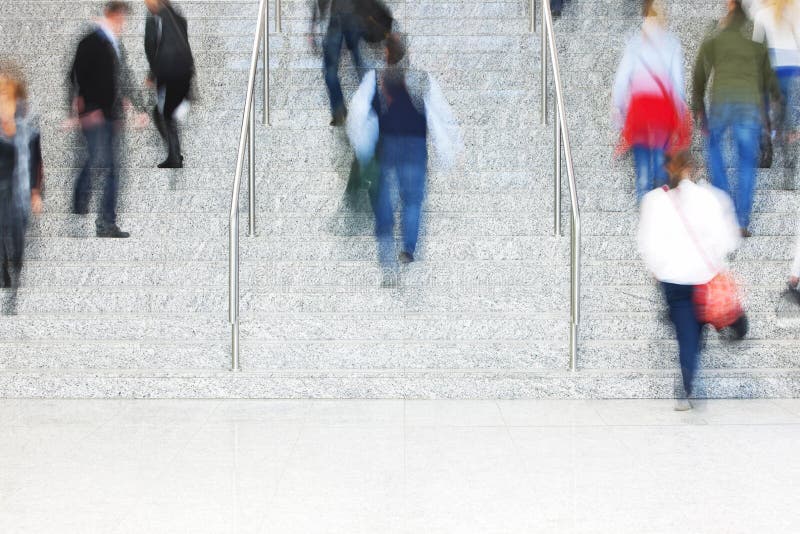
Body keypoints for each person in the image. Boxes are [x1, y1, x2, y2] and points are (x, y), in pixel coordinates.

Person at [347, 34, 461, 286]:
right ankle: (408, 248)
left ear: (385, 54)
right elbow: (440, 113)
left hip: (388, 144)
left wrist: (361, 146)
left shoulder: (375, 78)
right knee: (412, 200)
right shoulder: (421, 78)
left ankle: (386, 250)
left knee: (385, 197)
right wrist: (448, 148)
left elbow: (357, 112)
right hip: (415, 145)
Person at [638, 152, 743, 410]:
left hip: (671, 279)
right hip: (701, 279)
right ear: (693, 169)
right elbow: (728, 240)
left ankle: (686, 378)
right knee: (692, 334)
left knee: (686, 329)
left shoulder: (653, 200)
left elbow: (647, 242)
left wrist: (657, 266)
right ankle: (685, 383)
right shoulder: (710, 198)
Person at [692, 0, 782, 238]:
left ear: (730, 5)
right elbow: (767, 70)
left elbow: (700, 70)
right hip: (749, 104)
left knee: (712, 147)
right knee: (745, 160)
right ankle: (741, 221)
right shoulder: (755, 31)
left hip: (723, 101)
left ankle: (725, 213)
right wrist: (775, 95)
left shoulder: (717, 29)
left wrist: (698, 103)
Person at [68, 1, 147, 238]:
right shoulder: (90, 42)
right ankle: (91, 210)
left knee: (107, 166)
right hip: (94, 114)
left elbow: (123, 76)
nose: (122, 25)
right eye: (120, 19)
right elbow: (74, 76)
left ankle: (96, 215)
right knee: (102, 164)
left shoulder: (116, 44)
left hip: (112, 116)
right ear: (112, 16)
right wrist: (81, 110)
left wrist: (136, 105)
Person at [612, 0, 689, 202]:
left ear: (643, 15)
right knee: (660, 162)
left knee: (642, 169)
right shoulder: (671, 43)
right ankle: (663, 203)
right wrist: (680, 114)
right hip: (662, 112)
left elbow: (621, 80)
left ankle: (645, 207)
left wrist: (618, 108)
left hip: (639, 111)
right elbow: (677, 84)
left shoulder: (635, 42)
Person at [0, 62, 44, 314]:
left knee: (16, 240)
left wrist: (36, 193)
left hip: (18, 193)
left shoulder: (28, 129)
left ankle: (14, 277)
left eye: (6, 95)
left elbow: (36, 161)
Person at [753, 0, 800, 189]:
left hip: (771, 65)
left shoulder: (762, 14)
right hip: (792, 66)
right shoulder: (795, 12)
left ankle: (766, 151)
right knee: (785, 114)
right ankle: (788, 162)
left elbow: (756, 47)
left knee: (762, 107)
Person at [144, 0, 194, 169]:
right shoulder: (176, 17)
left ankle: (174, 156)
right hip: (180, 73)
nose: (146, 3)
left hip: (170, 73)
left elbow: (160, 48)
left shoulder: (159, 18)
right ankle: (174, 154)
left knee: (165, 113)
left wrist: (154, 73)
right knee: (164, 113)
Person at [312, 0, 367, 126]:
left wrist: (314, 22)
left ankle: (339, 110)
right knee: (360, 65)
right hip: (355, 17)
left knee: (330, 71)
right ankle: (372, 106)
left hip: (338, 17)